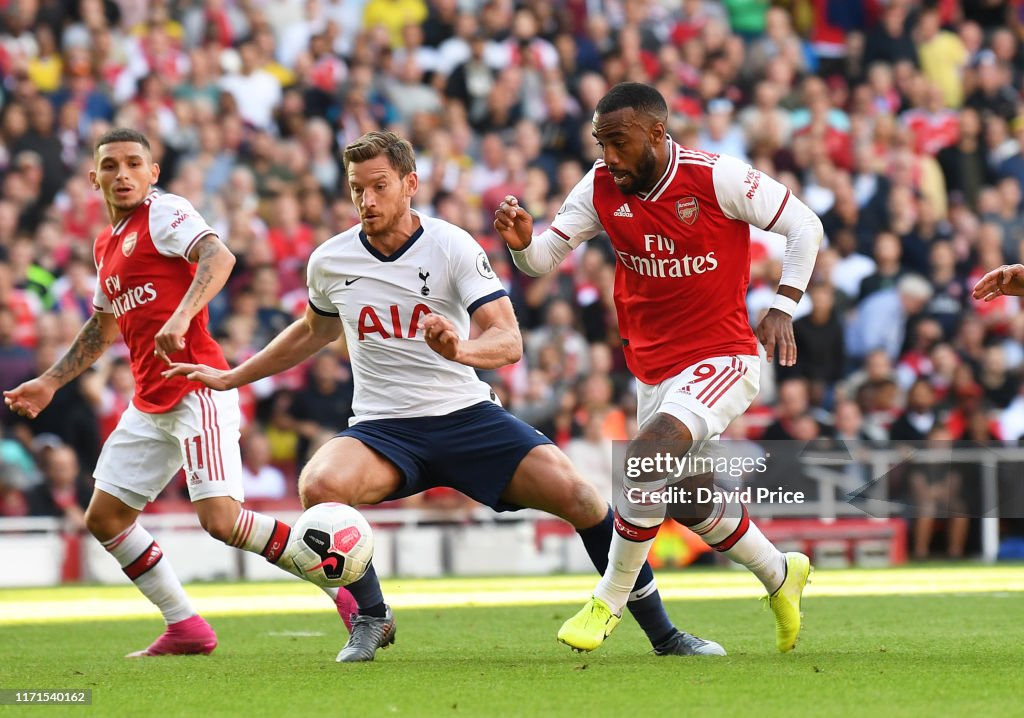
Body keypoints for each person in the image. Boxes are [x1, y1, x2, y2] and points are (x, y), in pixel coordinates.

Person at [165, 129, 724, 663]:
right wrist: (233, 376)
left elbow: (508, 341)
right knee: (320, 485)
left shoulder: (452, 245)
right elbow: (314, 330)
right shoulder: (331, 260)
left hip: (466, 417)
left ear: (411, 183)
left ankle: (665, 634)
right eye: (357, 188)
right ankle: (372, 615)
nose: (366, 198)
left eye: (379, 184)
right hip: (384, 428)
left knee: (581, 497)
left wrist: (459, 350)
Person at [493, 82, 822, 653]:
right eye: (600, 143)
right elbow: (544, 258)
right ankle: (780, 573)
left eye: (618, 142)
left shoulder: (716, 177)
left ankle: (608, 600)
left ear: (656, 133)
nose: (608, 157)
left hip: (723, 354)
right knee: (684, 497)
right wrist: (523, 244)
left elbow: (805, 225)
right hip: (653, 368)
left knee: (642, 461)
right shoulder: (599, 187)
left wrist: (783, 305)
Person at [4, 128, 356, 658]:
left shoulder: (164, 212)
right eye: (110, 166)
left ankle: (345, 588)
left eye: (133, 164)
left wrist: (183, 313)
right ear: (93, 177)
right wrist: (51, 380)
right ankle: (185, 626)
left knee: (221, 521)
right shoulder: (105, 245)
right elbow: (102, 327)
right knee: (104, 517)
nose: (122, 174)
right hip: (149, 401)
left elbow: (220, 259)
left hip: (197, 386)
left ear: (152, 174)